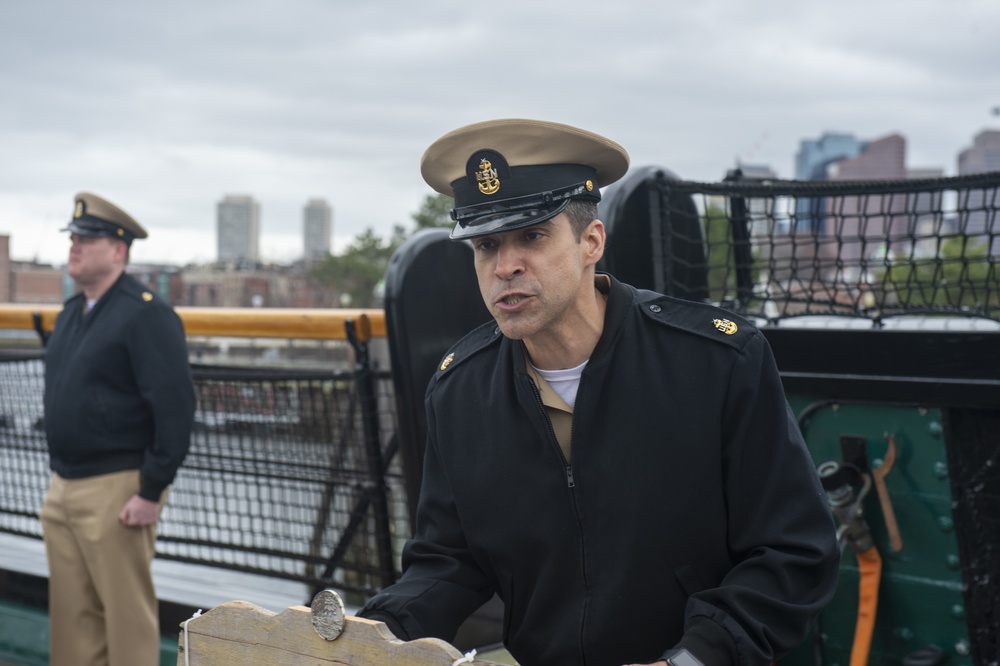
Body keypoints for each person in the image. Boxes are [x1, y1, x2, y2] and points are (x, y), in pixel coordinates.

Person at [358, 119, 840, 666]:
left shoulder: (716, 363)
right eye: (485, 245)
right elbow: (449, 559)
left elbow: (792, 552)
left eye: (532, 236)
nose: (505, 266)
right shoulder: (459, 390)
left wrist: (692, 658)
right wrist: (372, 631)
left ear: (592, 241)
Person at [40, 192, 196, 666]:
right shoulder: (73, 314)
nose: (75, 246)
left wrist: (152, 490)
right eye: (73, 237)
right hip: (63, 483)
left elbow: (175, 408)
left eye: (88, 238)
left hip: (118, 487)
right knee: (71, 618)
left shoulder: (145, 313)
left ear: (118, 251)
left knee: (125, 616)